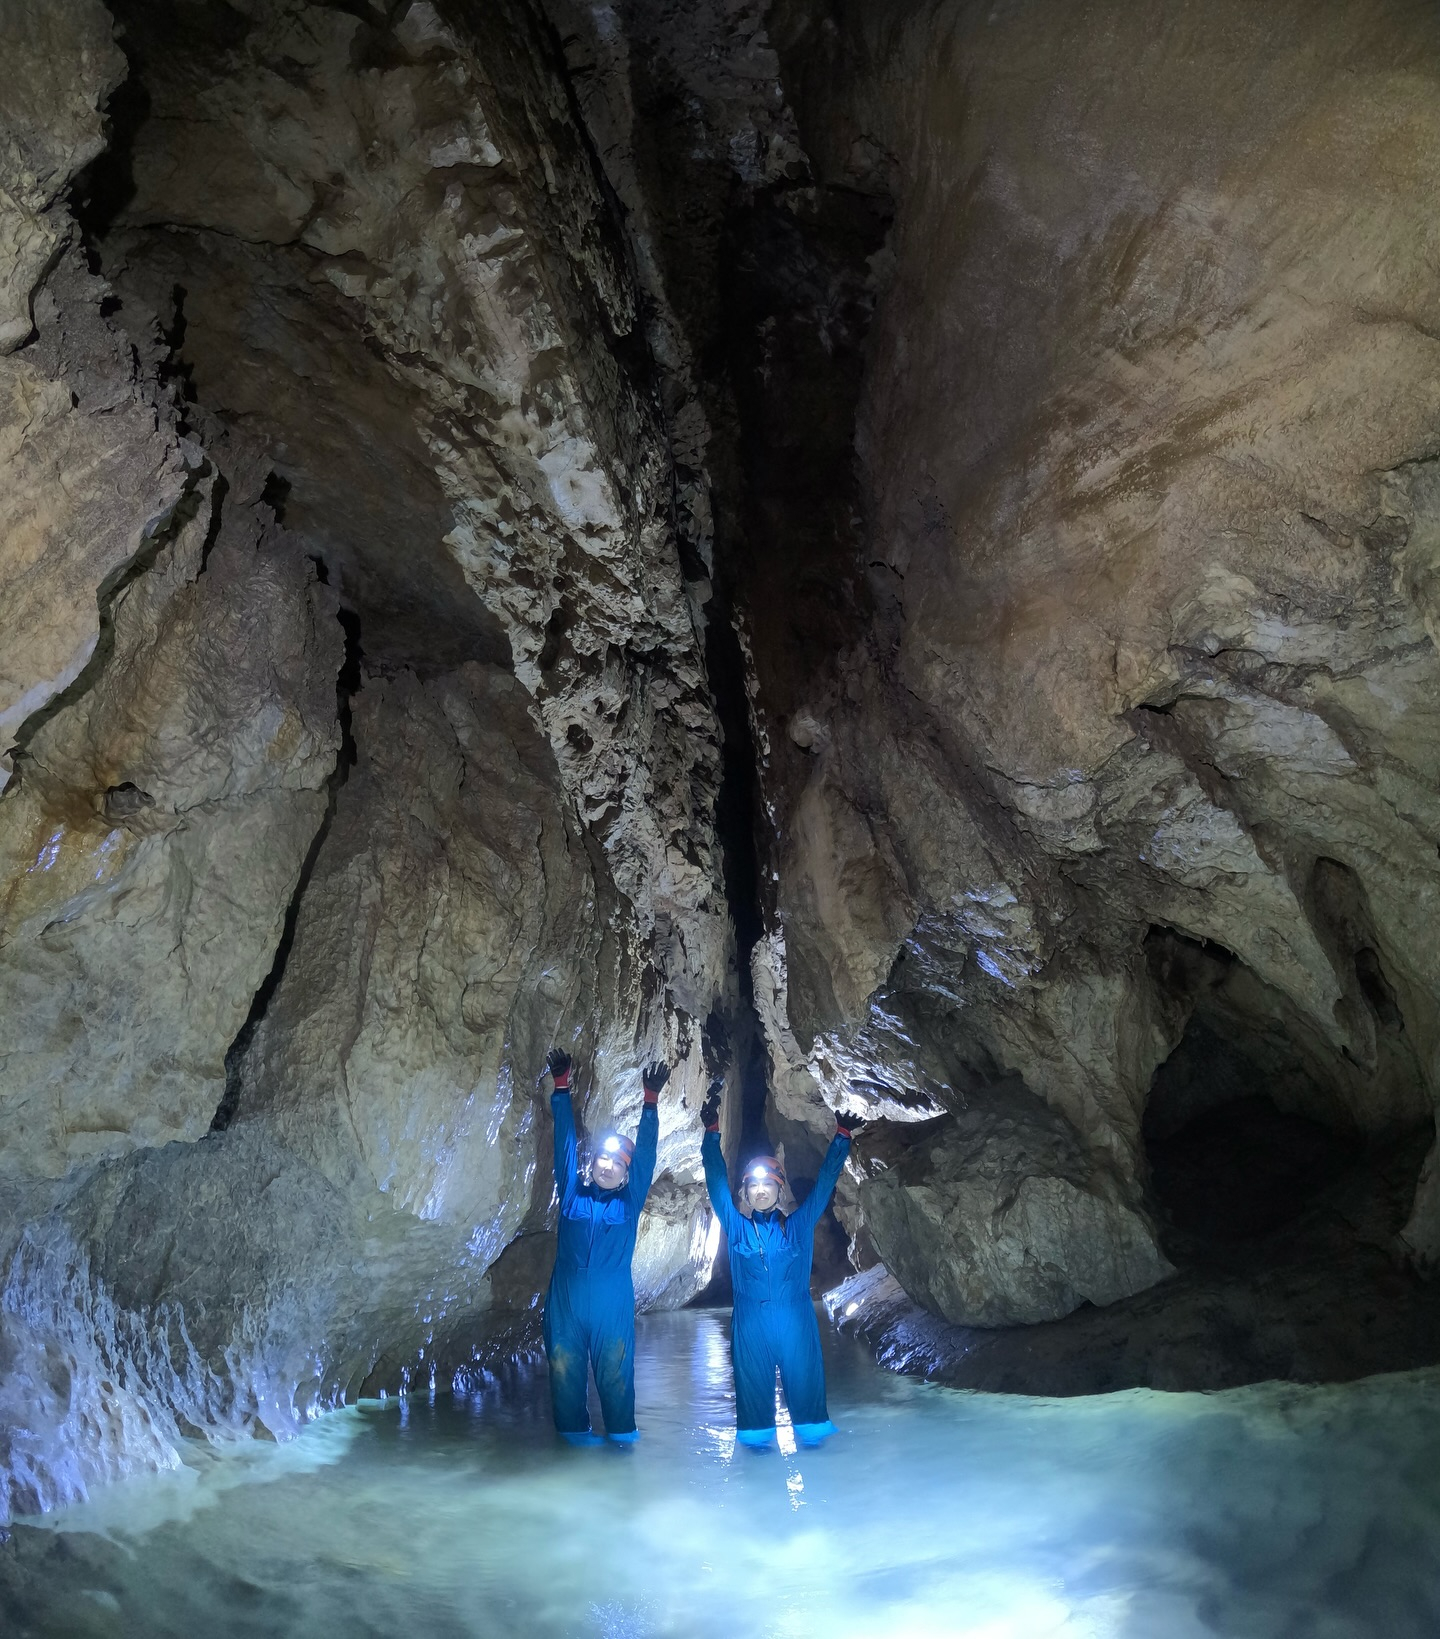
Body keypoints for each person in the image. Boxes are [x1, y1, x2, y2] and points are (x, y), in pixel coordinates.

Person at [699, 1080, 865, 1447]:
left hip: (796, 1326)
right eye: (754, 1188)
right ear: (745, 1194)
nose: (760, 1192)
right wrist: (712, 1137)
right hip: (751, 1329)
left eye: (768, 1186)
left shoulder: (799, 1228)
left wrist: (841, 1138)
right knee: (755, 1431)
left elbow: (823, 1187)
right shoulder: (737, 1229)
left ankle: (819, 1480)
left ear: (778, 1192)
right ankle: (757, 1485)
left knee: (811, 1425)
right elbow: (715, 1185)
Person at [539, 1046, 667, 1445]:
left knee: (615, 1375)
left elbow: (645, 1156)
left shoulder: (629, 1205)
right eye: (601, 1160)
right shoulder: (573, 1195)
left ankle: (622, 1447)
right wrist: (561, 1089)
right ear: (592, 1164)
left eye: (616, 1164)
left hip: (612, 1305)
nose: (607, 1166)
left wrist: (650, 1103)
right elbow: (563, 1146)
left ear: (626, 1175)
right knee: (563, 1371)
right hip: (566, 1303)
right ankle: (573, 1446)